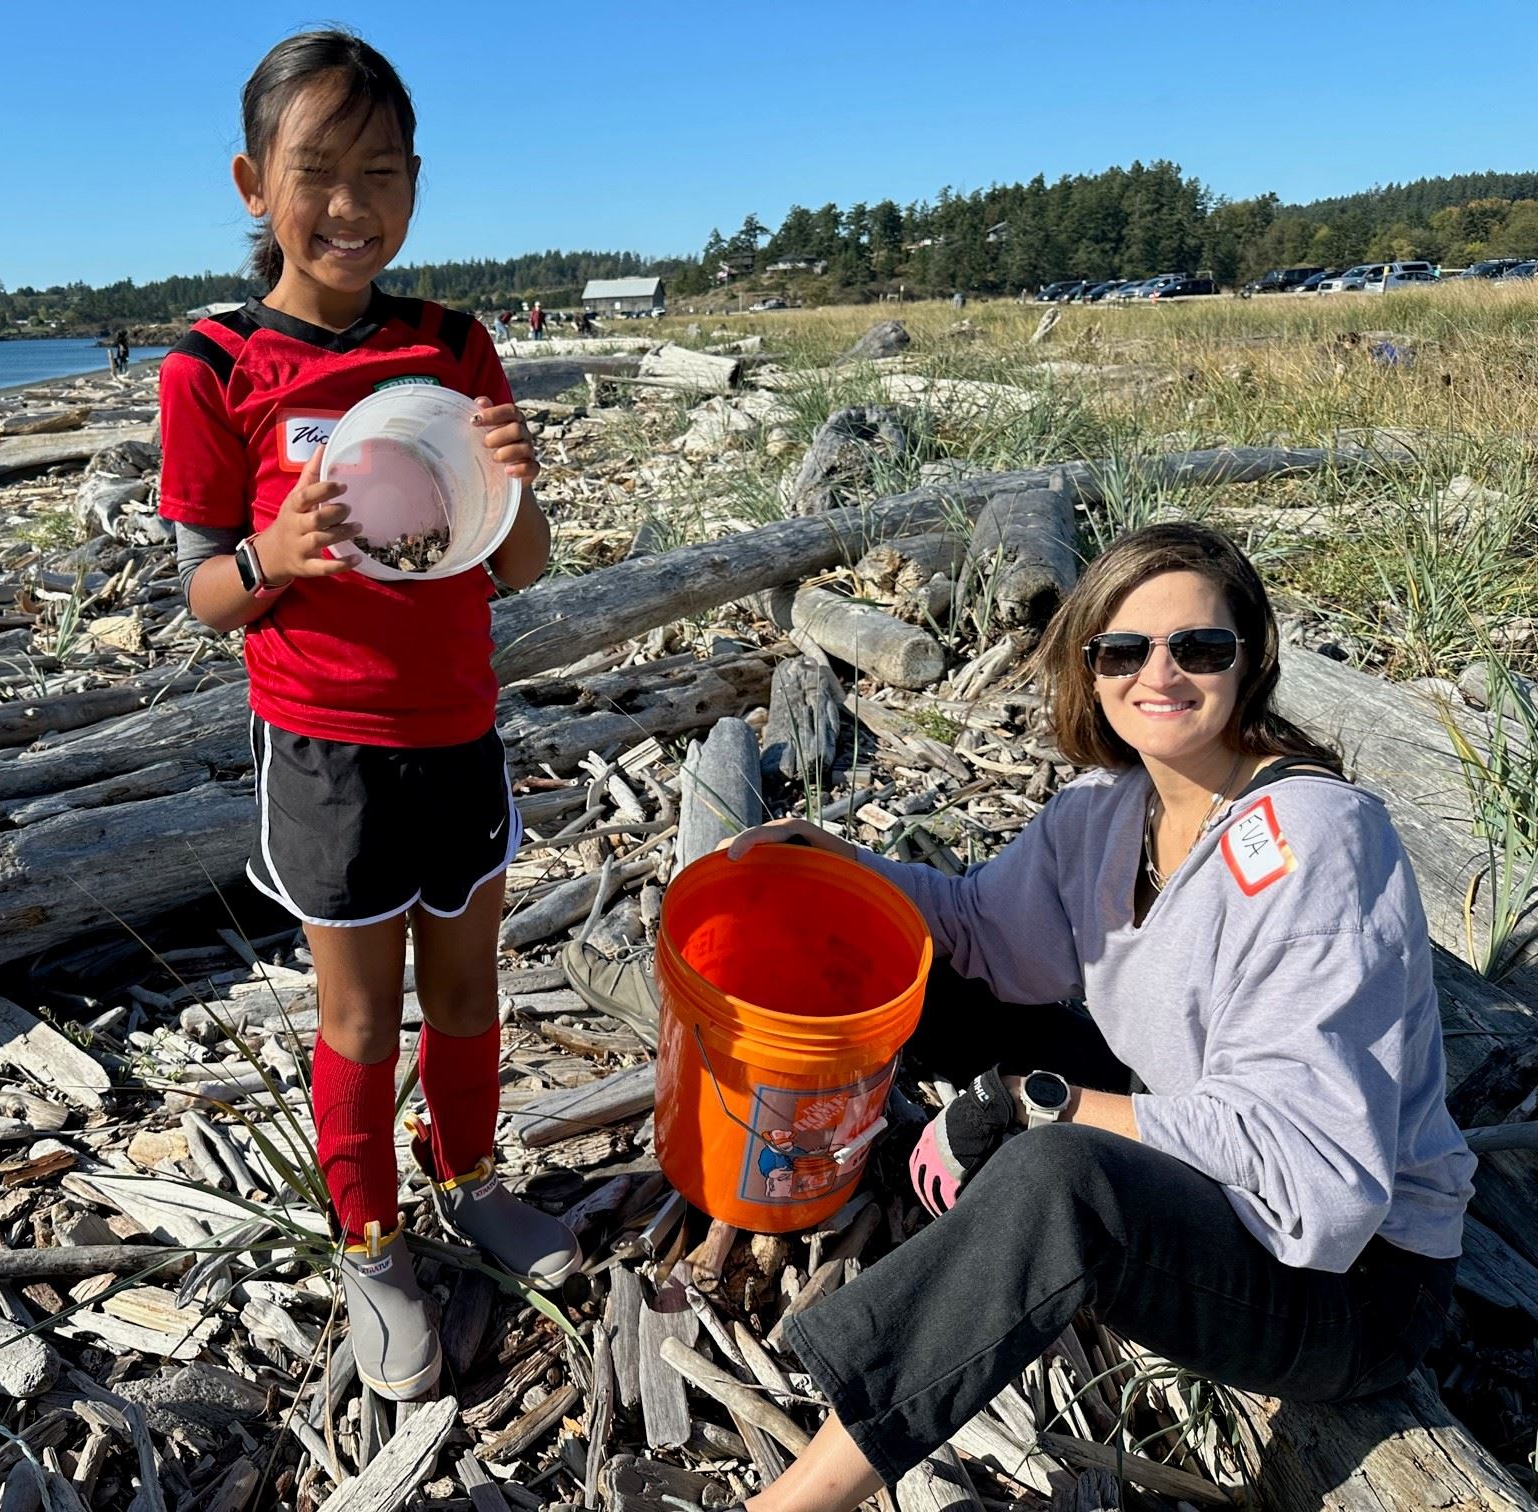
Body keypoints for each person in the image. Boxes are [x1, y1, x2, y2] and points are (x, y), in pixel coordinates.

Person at [698, 522, 1477, 1511]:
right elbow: (978, 931)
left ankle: (795, 1500)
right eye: (1124, 650)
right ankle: (779, 1175)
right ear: (1090, 666)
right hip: (1210, 1139)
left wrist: (1038, 1103)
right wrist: (839, 867)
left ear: (1250, 662)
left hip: (1348, 1279)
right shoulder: (1112, 813)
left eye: (1200, 647)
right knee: (919, 976)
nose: (1161, 673)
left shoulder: (1314, 845)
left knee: (1057, 1179)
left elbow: (1310, 1174)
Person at [158, 29, 575, 1402]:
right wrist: (276, 554)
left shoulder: (451, 347)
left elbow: (518, 568)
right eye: (317, 172)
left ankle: (471, 1177)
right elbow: (207, 594)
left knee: (465, 988)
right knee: (357, 1021)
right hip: (327, 748)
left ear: (415, 184)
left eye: (382, 173)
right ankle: (369, 1243)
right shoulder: (213, 366)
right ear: (252, 184)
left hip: (458, 729)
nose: (351, 206)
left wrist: (518, 480)